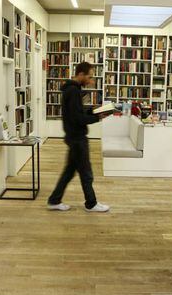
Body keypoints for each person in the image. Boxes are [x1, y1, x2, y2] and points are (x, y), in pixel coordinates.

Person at [47, 62, 110, 212]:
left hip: (73, 136)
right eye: (89, 77)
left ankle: (54, 200)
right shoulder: (73, 91)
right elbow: (77, 119)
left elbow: (77, 114)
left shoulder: (71, 90)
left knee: (70, 171)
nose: (91, 81)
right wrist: (97, 117)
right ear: (81, 74)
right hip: (77, 138)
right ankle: (91, 203)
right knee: (86, 173)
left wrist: (93, 112)